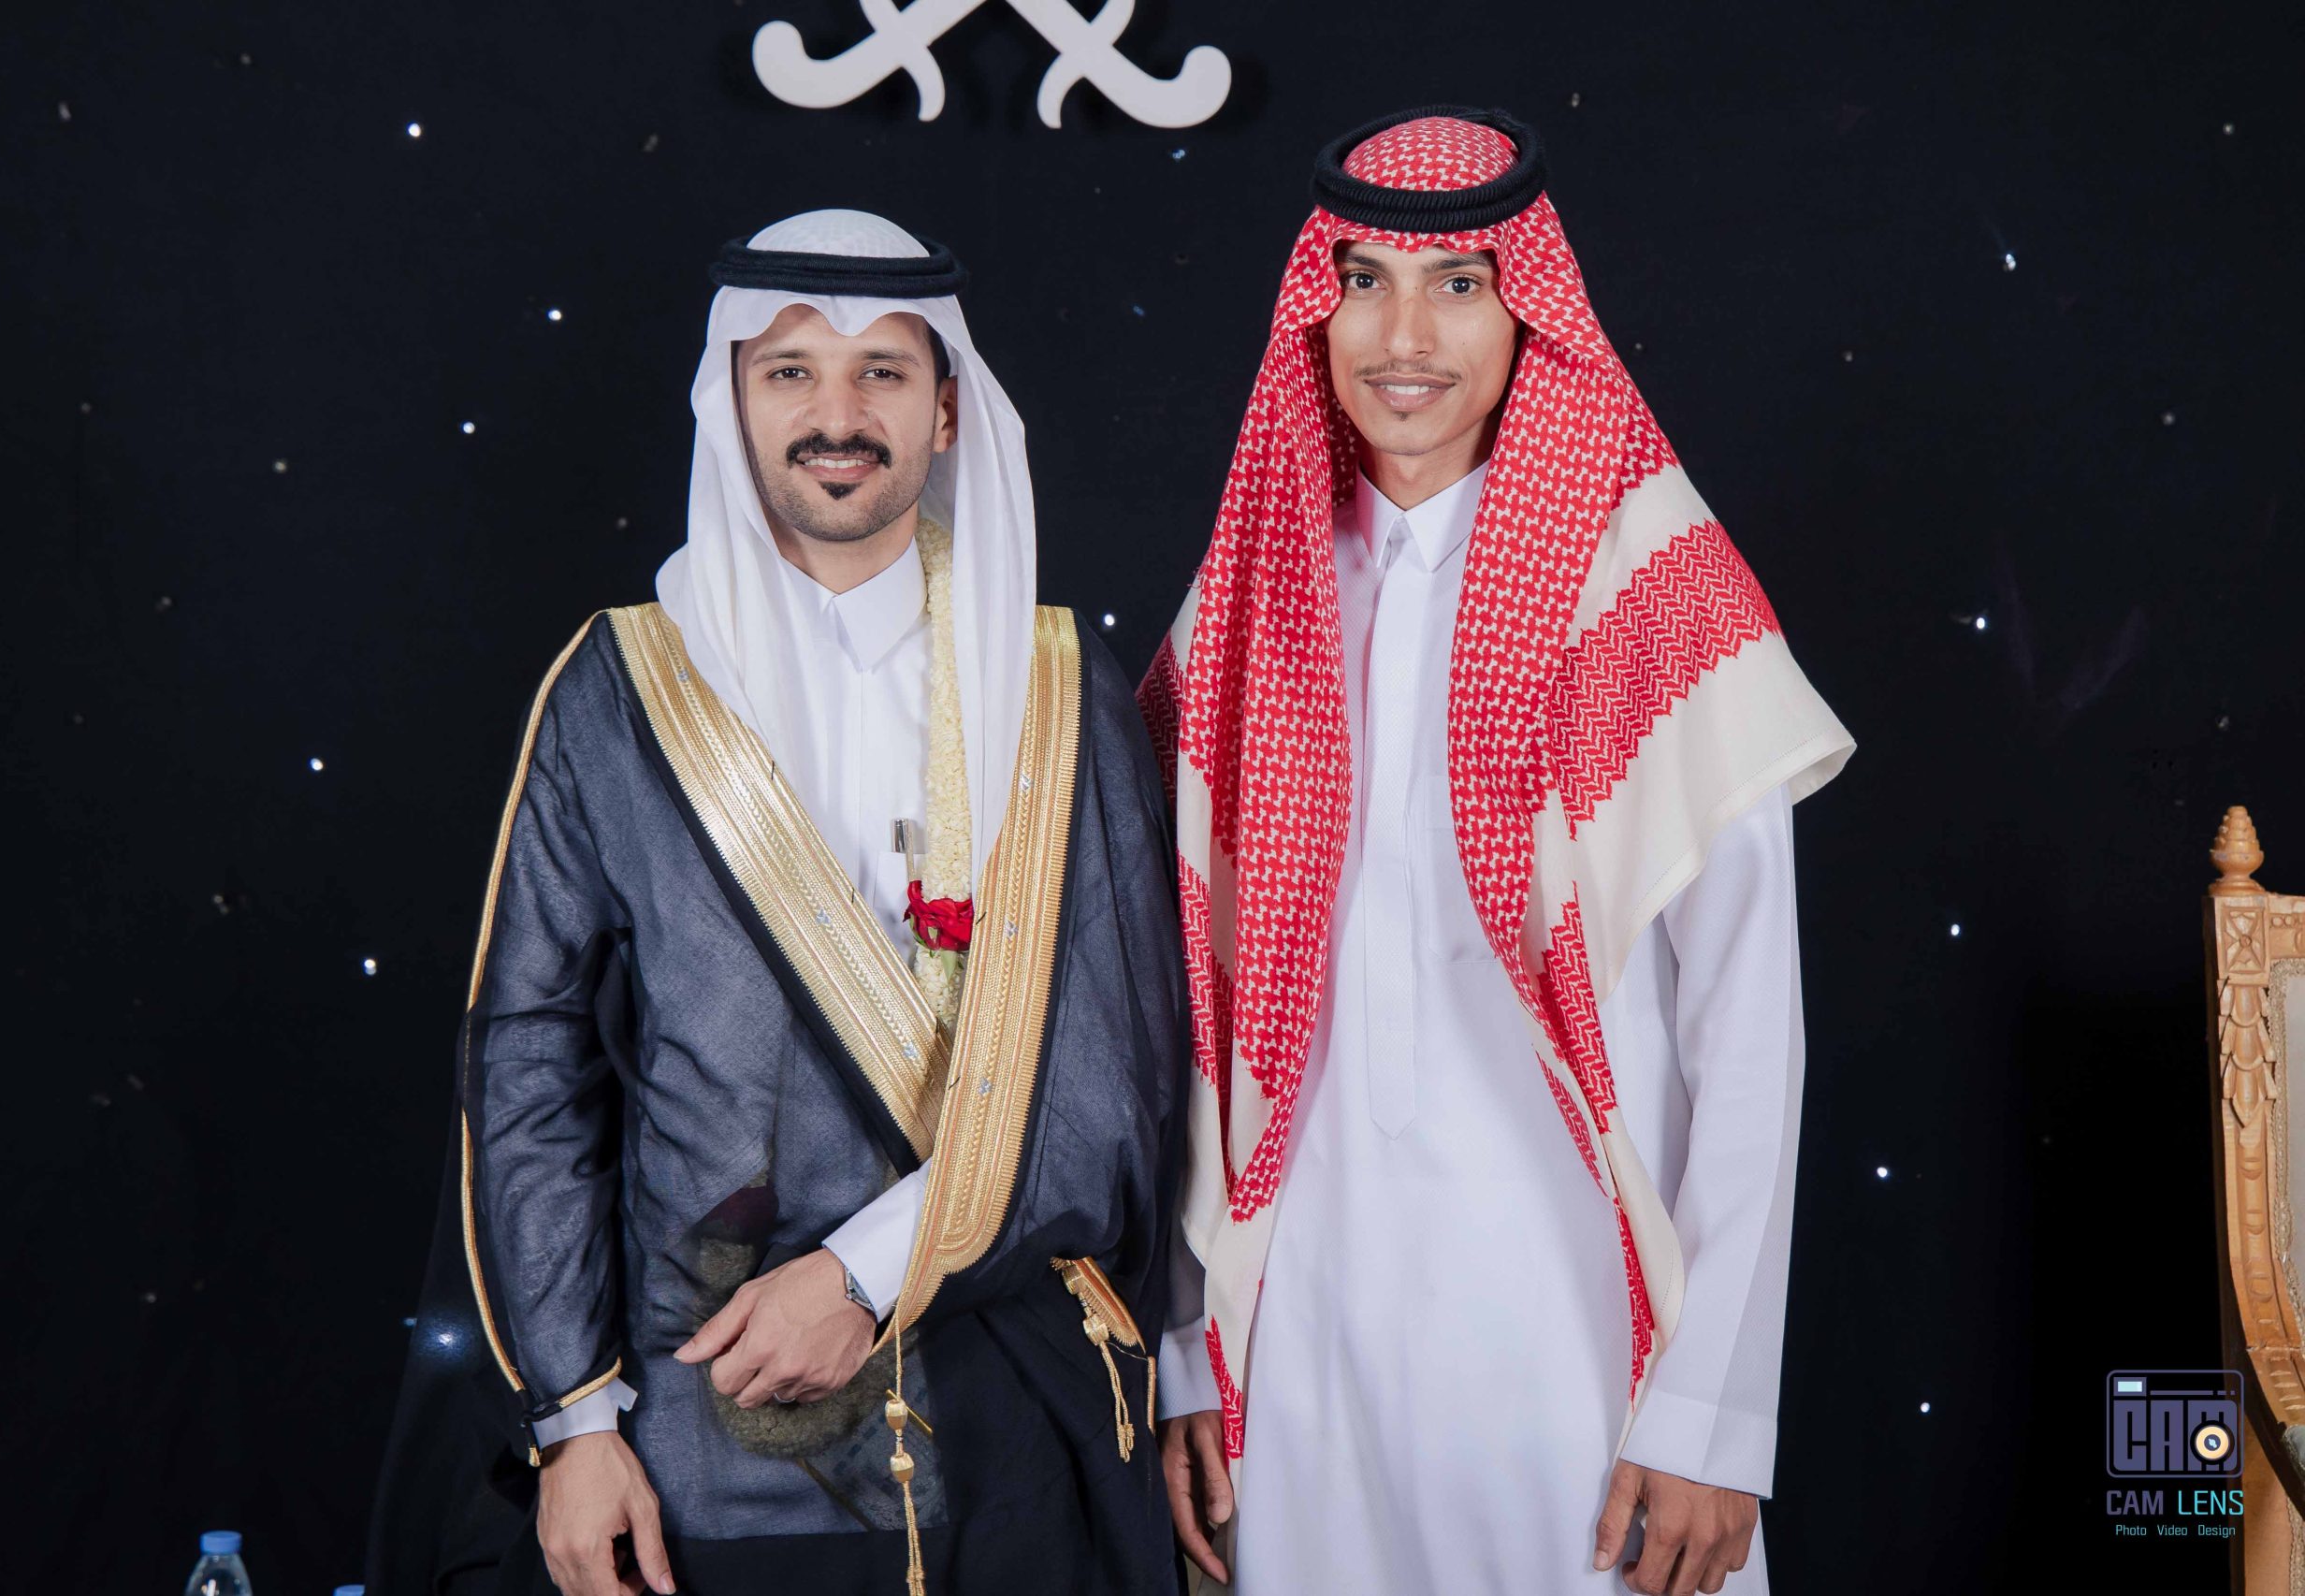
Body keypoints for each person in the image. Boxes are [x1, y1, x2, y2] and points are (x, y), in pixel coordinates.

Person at [367, 209, 1189, 1596]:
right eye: (791, 370)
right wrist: (574, 1421)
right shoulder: (619, 690)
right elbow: (528, 1068)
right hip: (708, 1437)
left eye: (884, 371)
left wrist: (863, 1274)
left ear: (946, 412)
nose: (838, 414)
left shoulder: (1056, 690)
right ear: (732, 402)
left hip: (1011, 1416)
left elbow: (1114, 1090)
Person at [1140, 109, 1855, 1595]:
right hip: (1308, 1345)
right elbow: (1181, 1015)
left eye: (1459, 284)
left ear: (1529, 309)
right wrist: (1191, 1348)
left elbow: (1750, 1031)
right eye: (1365, 281)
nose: (1404, 335)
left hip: (1581, 1350)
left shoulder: (1653, 589)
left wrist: (1715, 1415)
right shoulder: (1251, 597)